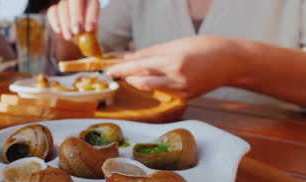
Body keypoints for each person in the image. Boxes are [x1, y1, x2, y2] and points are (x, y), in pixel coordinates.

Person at [47, 0, 306, 109]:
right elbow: (81, 60)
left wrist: (236, 61)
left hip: (276, 158)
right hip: (153, 143)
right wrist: (67, 30)